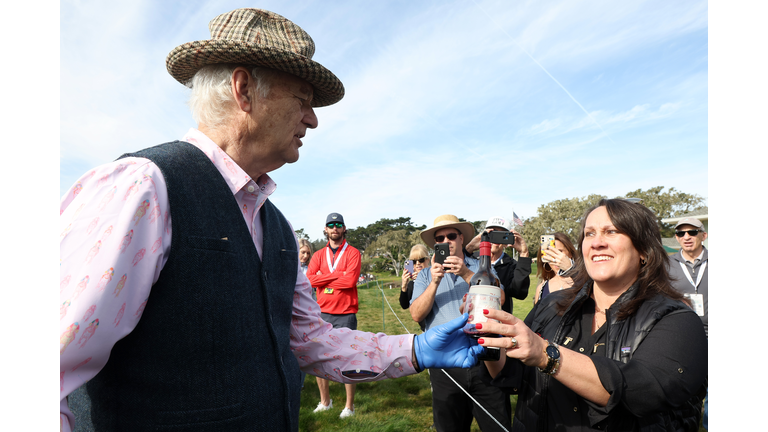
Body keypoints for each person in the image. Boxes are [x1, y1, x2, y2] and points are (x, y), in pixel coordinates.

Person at [59, 9, 485, 432]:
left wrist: (415, 349)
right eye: (302, 99)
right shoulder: (142, 188)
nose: (313, 119)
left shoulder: (275, 224)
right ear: (244, 90)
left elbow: (309, 340)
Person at [472, 198, 707, 431]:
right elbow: (512, 374)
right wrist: (490, 335)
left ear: (644, 250)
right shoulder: (552, 305)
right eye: (589, 234)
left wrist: (546, 355)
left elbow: (644, 392)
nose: (597, 243)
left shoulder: (677, 320)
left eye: (611, 231)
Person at [410, 215, 513, 432]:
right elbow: (416, 315)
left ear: (461, 239)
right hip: (444, 364)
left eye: (451, 236)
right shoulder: (426, 275)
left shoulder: (480, 266)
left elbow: (500, 298)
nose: (445, 241)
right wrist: (435, 282)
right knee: (449, 427)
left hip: (484, 357)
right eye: (439, 238)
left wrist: (467, 273)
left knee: (497, 424)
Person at [306, 213, 362, 418]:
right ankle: (325, 402)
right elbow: (310, 280)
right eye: (331, 225)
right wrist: (339, 275)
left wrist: (324, 278)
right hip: (321, 312)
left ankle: (349, 406)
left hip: (345, 313)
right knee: (318, 358)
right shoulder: (319, 255)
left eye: (338, 225)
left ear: (344, 228)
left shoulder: (353, 253)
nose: (335, 228)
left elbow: (350, 282)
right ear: (326, 229)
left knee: (348, 358)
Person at [667, 216, 708, 429]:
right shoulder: (668, 263)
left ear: (704, 235)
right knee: (687, 388)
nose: (686, 237)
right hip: (684, 334)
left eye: (692, 232)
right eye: (681, 233)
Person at [466, 216, 531, 314]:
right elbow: (453, 271)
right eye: (492, 234)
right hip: (472, 316)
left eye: (500, 236)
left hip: (499, 321)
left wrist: (524, 254)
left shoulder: (511, 265)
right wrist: (469, 248)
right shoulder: (472, 259)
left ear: (506, 242)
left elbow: (520, 293)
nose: (494, 240)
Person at [534, 232, 577, 304]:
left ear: (570, 254)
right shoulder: (541, 288)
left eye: (559, 251)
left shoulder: (583, 281)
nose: (555, 257)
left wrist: (570, 269)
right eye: (550, 253)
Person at [399, 244, 430, 331]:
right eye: (414, 261)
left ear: (428, 260)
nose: (417, 264)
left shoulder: (435, 276)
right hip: (425, 328)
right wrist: (404, 286)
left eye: (421, 260)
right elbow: (404, 305)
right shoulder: (412, 284)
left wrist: (422, 279)